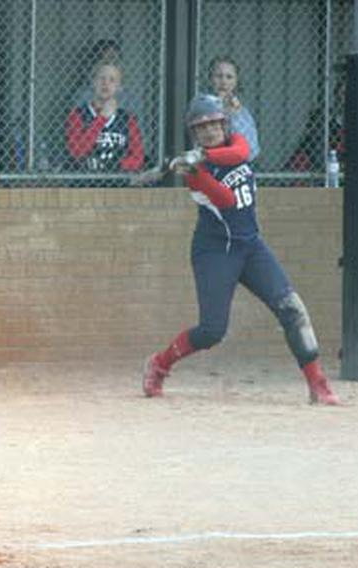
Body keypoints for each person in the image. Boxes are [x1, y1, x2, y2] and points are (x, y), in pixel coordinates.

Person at [141, 95, 341, 405]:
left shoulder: (234, 145)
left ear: (224, 123)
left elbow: (241, 152)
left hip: (251, 246)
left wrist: (202, 156)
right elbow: (225, 200)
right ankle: (159, 364)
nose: (209, 131)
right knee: (211, 331)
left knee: (292, 309)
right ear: (194, 133)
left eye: (214, 124)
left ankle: (319, 384)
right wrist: (194, 168)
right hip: (215, 252)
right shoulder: (195, 176)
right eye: (201, 127)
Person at [65, 60, 145, 173]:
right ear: (93, 82)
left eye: (112, 80)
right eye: (101, 78)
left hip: (118, 181)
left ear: (119, 87)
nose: (105, 83)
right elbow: (77, 151)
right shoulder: (78, 114)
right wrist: (101, 119)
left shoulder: (127, 118)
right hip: (84, 181)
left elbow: (138, 157)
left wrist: (114, 167)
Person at [207, 56, 260, 161]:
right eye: (218, 76)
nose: (224, 82)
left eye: (229, 77)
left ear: (236, 82)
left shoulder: (242, 113)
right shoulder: (201, 106)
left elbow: (252, 151)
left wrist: (234, 115)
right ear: (210, 79)